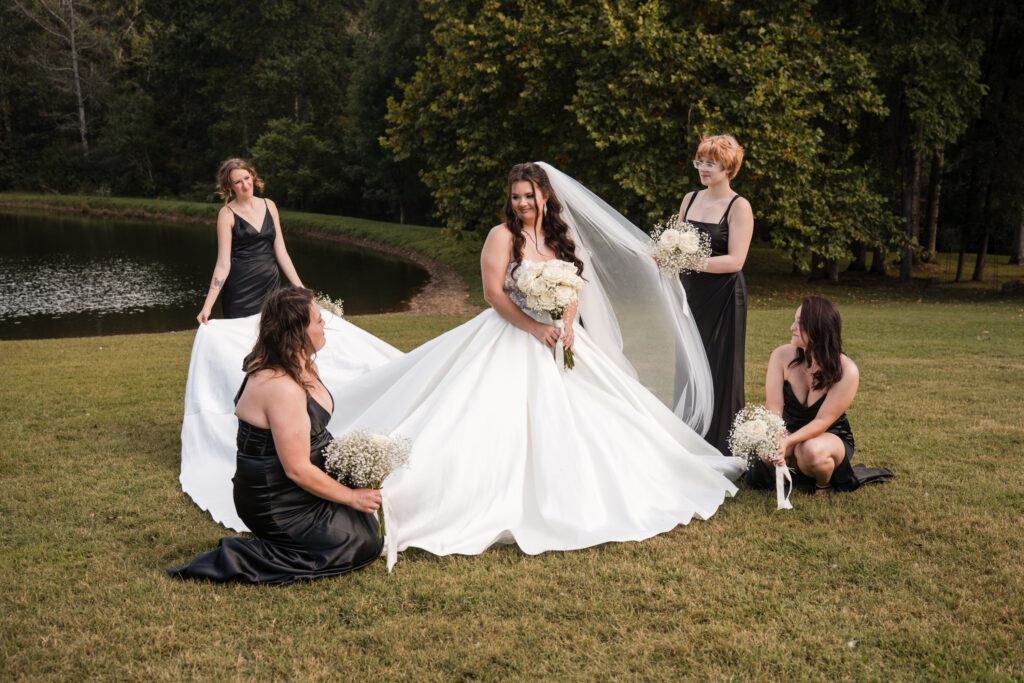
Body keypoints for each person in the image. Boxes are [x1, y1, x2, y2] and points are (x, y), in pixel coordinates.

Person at [327, 162, 746, 570]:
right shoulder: (501, 236)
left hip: (559, 338)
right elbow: (494, 294)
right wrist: (533, 327)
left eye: (530, 195)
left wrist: (565, 324)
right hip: (511, 333)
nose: (523, 203)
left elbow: (573, 285)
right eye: (516, 196)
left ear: (545, 196)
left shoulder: (559, 237)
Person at [169, 288, 384, 584]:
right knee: (358, 543)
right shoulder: (280, 386)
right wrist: (350, 496)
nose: (325, 327)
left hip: (300, 484)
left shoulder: (303, 364)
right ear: (297, 334)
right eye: (318, 321)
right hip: (278, 500)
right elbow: (295, 468)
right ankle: (238, 556)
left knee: (367, 525)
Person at [746, 296, 893, 493]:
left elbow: (823, 421)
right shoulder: (781, 356)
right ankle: (791, 471)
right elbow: (773, 406)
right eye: (794, 320)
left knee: (810, 452)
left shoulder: (847, 370)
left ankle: (823, 484)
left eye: (800, 323)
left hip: (829, 435)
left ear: (819, 329)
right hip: (788, 429)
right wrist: (777, 436)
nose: (792, 327)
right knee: (767, 450)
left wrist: (789, 441)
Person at [677, 134, 754, 455]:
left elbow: (736, 260)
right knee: (687, 364)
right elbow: (675, 240)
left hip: (724, 297)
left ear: (728, 167)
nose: (703, 169)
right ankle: (687, 436)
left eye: (711, 163)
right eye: (700, 162)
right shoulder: (690, 199)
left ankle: (722, 445)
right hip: (690, 294)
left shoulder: (739, 206)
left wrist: (689, 260)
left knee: (720, 366)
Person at [196, 158, 304, 323]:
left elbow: (281, 252)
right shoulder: (226, 214)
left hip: (270, 288)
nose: (245, 185)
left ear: (253, 176)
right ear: (229, 187)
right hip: (240, 291)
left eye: (247, 178)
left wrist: (300, 288)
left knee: (274, 339)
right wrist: (207, 306)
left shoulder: (270, 206)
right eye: (238, 182)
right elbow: (223, 264)